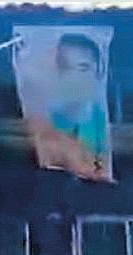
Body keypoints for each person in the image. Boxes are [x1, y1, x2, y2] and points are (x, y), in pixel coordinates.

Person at [46, 33, 109, 178]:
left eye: (83, 68)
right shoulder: (44, 120)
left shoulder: (103, 121)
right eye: (65, 68)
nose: (73, 77)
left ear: (99, 72)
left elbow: (100, 169)